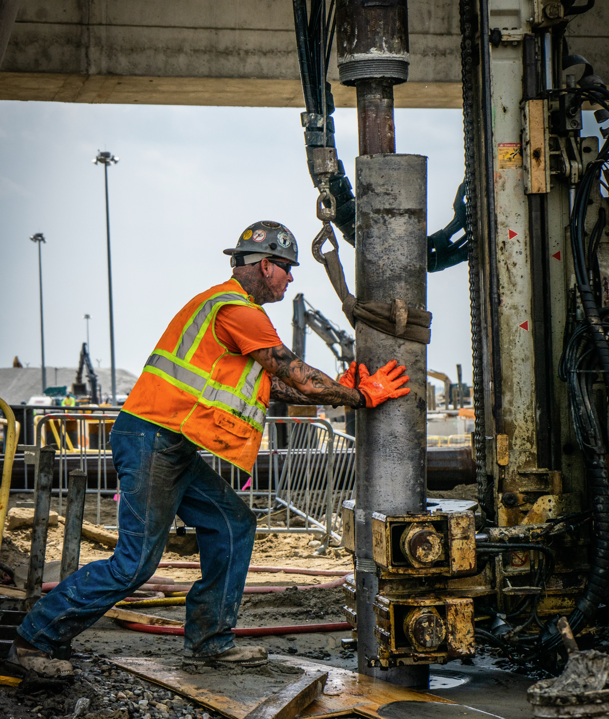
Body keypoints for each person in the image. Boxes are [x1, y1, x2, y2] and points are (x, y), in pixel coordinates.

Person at [9, 221, 410, 676]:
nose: (291, 279)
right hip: (151, 440)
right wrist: (360, 396)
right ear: (265, 265)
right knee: (135, 564)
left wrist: (337, 388)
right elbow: (295, 372)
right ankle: (35, 640)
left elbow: (279, 385)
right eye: (287, 269)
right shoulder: (236, 309)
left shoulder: (227, 310)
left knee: (234, 524)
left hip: (168, 443)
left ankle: (209, 642)